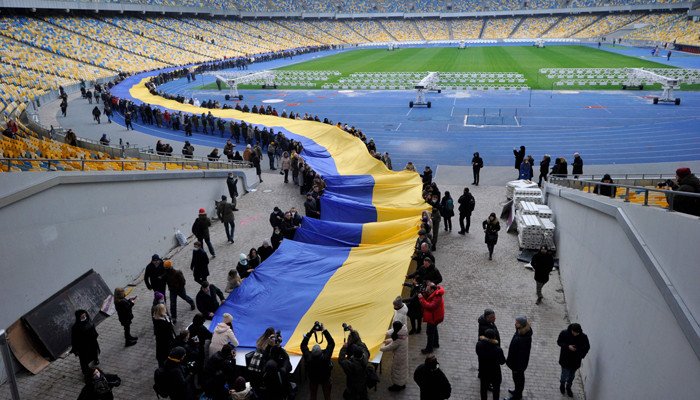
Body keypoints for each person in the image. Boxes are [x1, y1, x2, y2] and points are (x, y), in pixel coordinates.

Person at [301, 323, 335, 400]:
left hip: (313, 379)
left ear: (311, 353)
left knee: (313, 396)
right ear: (321, 352)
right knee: (327, 397)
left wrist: (311, 332)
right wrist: (324, 330)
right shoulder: (326, 357)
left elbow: (303, 345)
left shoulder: (309, 358)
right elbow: (331, 343)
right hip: (325, 378)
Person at [557, 323, 590, 397]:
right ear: (571, 330)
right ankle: (562, 385)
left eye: (577, 333)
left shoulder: (583, 337)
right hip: (565, 359)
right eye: (574, 332)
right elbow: (559, 342)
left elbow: (587, 347)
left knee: (572, 376)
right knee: (564, 375)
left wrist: (581, 355)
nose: (576, 334)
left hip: (575, 361)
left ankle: (568, 387)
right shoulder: (564, 333)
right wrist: (568, 346)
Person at [505, 316, 533, 400]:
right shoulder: (521, 332)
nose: (515, 323)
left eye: (517, 323)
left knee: (518, 380)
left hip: (518, 364)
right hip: (517, 363)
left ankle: (517, 396)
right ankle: (517, 391)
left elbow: (519, 354)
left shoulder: (522, 339)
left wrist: (515, 365)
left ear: (521, 325)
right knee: (517, 379)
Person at [476, 329, 505, 400]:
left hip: (484, 371)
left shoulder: (479, 344)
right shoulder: (498, 349)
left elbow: (478, 353)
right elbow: (502, 362)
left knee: (483, 389)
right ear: (494, 338)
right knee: (496, 390)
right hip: (495, 373)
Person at [380, 321, 409, 392]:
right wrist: (388, 341)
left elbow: (391, 346)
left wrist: (380, 348)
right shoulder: (403, 333)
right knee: (402, 370)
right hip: (403, 356)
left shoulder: (399, 338)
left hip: (399, 358)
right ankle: (402, 384)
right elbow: (395, 340)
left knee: (397, 371)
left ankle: (397, 385)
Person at [71, 310, 101, 377]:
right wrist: (75, 348)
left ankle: (95, 359)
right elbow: (74, 338)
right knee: (83, 358)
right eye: (82, 316)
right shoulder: (76, 327)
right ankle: (85, 370)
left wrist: (95, 335)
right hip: (83, 345)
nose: (84, 316)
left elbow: (93, 328)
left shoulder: (88, 320)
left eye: (85, 315)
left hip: (92, 341)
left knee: (94, 351)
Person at [419, 282, 445, 355]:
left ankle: (429, 348)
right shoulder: (435, 293)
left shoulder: (437, 297)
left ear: (432, 289)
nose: (427, 290)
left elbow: (430, 307)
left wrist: (421, 299)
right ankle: (436, 344)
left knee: (429, 332)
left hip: (434, 318)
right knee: (434, 329)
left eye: (428, 289)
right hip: (436, 317)